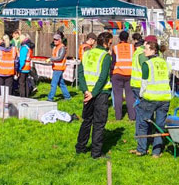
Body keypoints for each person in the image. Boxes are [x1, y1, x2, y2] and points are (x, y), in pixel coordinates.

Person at [76, 30, 113, 159]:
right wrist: (94, 93)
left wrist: (85, 90)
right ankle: (96, 153)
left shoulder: (86, 54)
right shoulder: (105, 56)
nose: (111, 45)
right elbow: (103, 77)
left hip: (87, 92)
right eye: (111, 42)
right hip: (100, 93)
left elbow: (80, 72)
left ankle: (80, 147)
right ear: (106, 43)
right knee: (99, 123)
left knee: (87, 120)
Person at [132, 38, 171, 157]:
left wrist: (141, 96)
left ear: (153, 50)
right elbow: (167, 78)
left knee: (143, 124)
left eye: (146, 49)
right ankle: (156, 152)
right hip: (164, 98)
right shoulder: (166, 63)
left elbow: (144, 83)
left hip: (150, 98)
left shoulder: (147, 64)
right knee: (160, 125)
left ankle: (141, 149)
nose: (144, 51)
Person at [111, 31, 135, 121]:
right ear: (128, 38)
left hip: (117, 73)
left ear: (119, 38)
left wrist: (111, 74)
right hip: (130, 73)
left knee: (117, 95)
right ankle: (132, 116)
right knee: (130, 95)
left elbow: (113, 62)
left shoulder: (115, 48)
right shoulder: (132, 47)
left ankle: (118, 117)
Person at [47, 32, 71, 101]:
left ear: (60, 40)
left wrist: (51, 59)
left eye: (56, 39)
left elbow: (60, 58)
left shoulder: (62, 47)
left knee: (53, 83)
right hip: (57, 68)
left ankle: (50, 98)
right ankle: (67, 97)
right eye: (54, 39)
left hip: (59, 68)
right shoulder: (56, 47)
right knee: (61, 83)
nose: (55, 41)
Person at [129, 33, 146, 104]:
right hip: (139, 83)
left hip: (137, 83)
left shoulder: (138, 53)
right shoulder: (141, 53)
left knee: (139, 106)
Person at [17, 33, 33, 98]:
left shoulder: (24, 48)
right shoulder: (28, 47)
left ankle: (22, 96)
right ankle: (27, 95)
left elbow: (22, 59)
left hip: (23, 67)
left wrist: (19, 68)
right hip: (27, 67)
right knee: (26, 82)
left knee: (21, 83)